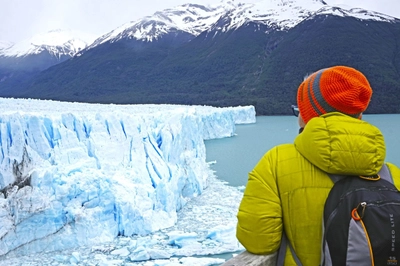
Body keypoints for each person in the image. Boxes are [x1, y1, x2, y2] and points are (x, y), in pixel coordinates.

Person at [236, 65, 400, 265]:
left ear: (308, 115)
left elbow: (258, 241)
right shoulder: (391, 174)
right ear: (359, 116)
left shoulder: (276, 162)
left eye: (299, 109)